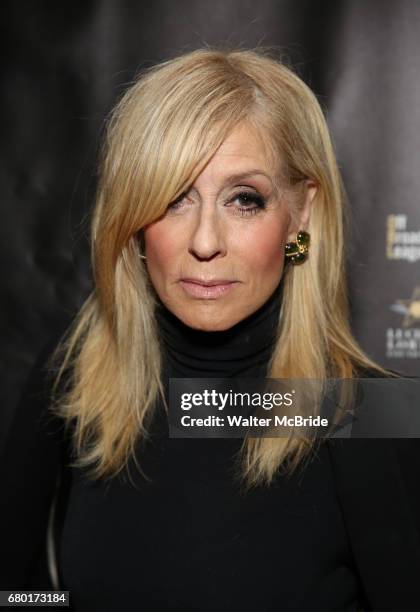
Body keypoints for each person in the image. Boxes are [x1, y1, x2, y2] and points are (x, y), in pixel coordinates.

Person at [1, 46, 419, 612]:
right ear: (131, 218)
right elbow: (16, 593)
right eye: (173, 198)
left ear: (301, 215)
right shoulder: (78, 377)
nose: (203, 241)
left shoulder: (361, 416)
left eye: (245, 200)